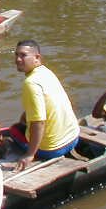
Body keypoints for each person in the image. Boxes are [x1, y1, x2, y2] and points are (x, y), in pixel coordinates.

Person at [9, 40, 80, 171]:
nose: (18, 59)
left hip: (53, 149)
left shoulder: (31, 83)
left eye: (23, 55)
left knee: (13, 130)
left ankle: (33, 150)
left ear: (37, 57)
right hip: (74, 137)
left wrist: (30, 154)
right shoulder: (46, 72)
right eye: (16, 55)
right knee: (24, 121)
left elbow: (38, 123)